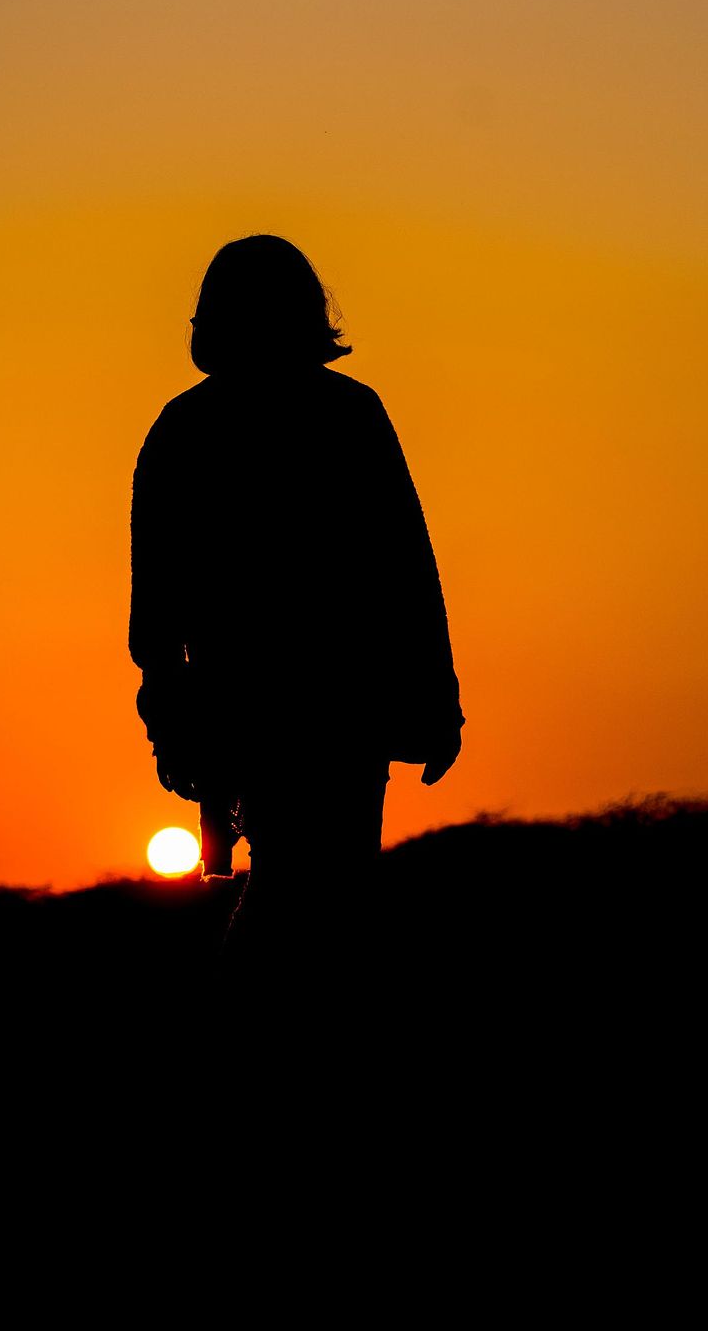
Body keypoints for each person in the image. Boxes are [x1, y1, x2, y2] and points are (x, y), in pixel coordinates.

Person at [128, 235, 464, 921]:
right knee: (319, 895)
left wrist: (170, 719)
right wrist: (437, 697)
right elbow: (407, 570)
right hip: (331, 710)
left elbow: (156, 607)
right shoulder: (348, 414)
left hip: (269, 706)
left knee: (307, 895)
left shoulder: (185, 427)